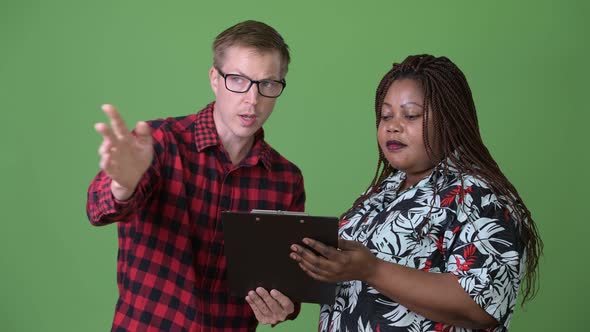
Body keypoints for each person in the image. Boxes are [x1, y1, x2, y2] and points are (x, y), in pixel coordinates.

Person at [290, 54, 543, 332]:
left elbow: (481, 305)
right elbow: (350, 288)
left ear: (450, 121)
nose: (392, 125)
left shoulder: (479, 197)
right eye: (386, 115)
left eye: (410, 115)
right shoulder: (380, 193)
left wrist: (372, 270)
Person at [86, 20, 305, 331]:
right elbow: (98, 209)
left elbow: (286, 283)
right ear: (215, 78)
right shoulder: (159, 142)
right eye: (238, 80)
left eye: (268, 84)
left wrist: (283, 307)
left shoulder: (286, 179)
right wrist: (123, 184)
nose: (253, 100)